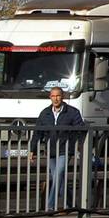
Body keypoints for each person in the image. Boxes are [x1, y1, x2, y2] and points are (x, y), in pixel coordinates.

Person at [36, 81, 85, 211]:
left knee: (57, 176)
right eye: (53, 96)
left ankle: (50, 206)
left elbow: (80, 128)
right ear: (50, 97)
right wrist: (32, 149)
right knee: (60, 179)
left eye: (58, 96)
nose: (55, 98)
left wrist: (80, 145)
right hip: (51, 150)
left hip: (65, 150)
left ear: (62, 97)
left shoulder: (72, 112)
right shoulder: (45, 113)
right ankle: (71, 205)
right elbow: (37, 132)